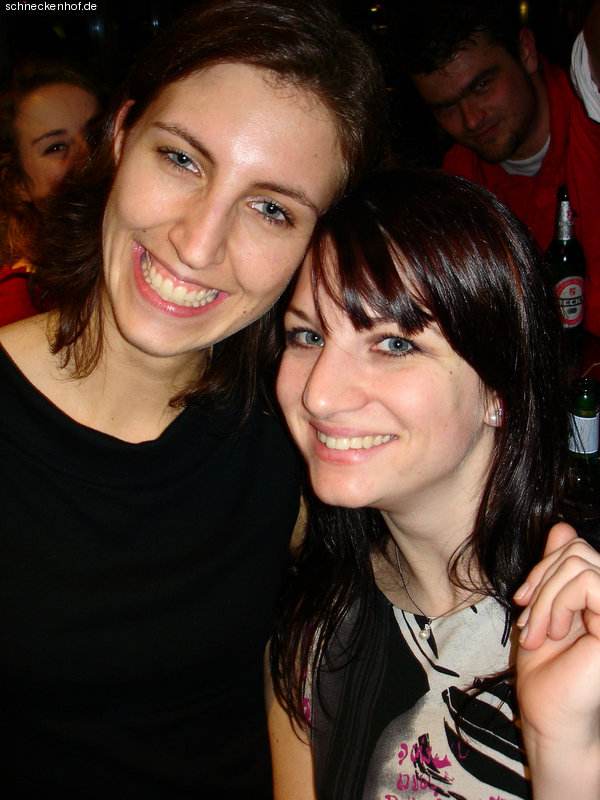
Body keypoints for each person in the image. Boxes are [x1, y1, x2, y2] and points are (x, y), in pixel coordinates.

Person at [0, 1, 389, 796]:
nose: (199, 242)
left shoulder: (304, 432)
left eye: (272, 208)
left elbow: (307, 660)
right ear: (121, 137)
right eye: (181, 159)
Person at [267, 167, 585, 799]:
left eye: (394, 344)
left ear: (500, 387)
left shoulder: (588, 623)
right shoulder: (315, 632)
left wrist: (569, 759)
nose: (319, 394)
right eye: (307, 335)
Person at [399, 0, 600, 337]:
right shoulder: (455, 188)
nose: (471, 120)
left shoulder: (591, 112)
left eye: (482, 85)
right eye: (446, 108)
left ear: (526, 51)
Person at [0, 60, 102, 325]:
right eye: (55, 147)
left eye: (95, 135)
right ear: (17, 184)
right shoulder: (14, 305)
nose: (87, 155)